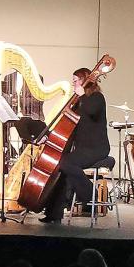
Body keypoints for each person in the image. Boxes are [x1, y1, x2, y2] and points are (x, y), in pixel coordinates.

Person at [41, 67, 109, 224]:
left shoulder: (97, 98)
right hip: (82, 149)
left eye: (75, 82)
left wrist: (82, 95)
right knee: (60, 167)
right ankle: (54, 213)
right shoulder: (79, 102)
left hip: (97, 148)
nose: (73, 86)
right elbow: (67, 127)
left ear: (85, 81)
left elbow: (91, 111)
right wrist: (48, 137)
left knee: (66, 163)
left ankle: (91, 196)